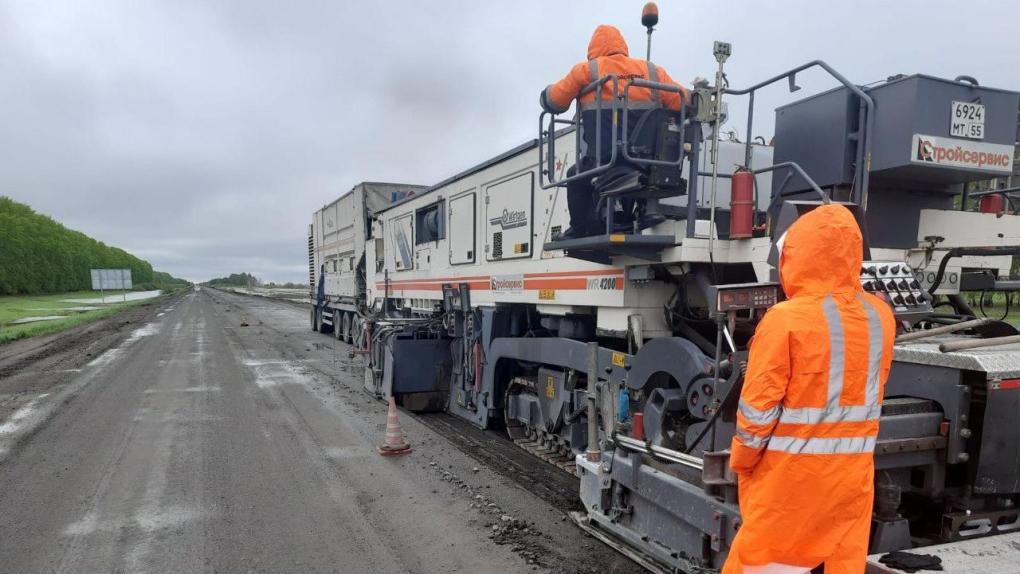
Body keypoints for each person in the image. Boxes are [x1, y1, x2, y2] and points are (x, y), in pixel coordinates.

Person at [722, 204, 896, 574]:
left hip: (790, 482)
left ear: (797, 256)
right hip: (852, 481)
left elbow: (758, 411)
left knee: (763, 565)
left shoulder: (785, 319)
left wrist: (740, 462)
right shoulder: (880, 316)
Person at [540, 24, 688, 239]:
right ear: (623, 46)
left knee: (575, 175)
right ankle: (640, 211)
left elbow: (554, 101)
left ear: (593, 49)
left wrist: (545, 95)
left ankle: (581, 228)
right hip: (650, 162)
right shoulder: (653, 71)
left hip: (605, 160)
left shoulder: (588, 70)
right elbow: (683, 101)